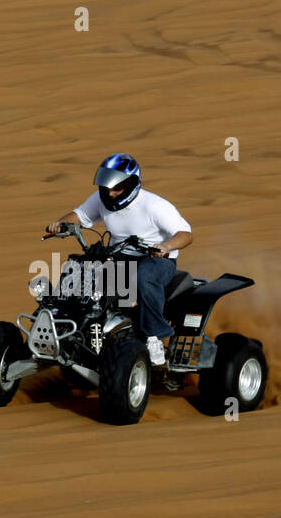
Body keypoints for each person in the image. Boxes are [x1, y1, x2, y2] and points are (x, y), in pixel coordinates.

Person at [45, 153, 193, 366]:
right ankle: (65, 326)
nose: (110, 193)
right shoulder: (101, 199)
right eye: (107, 187)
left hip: (156, 259)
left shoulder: (154, 206)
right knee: (80, 269)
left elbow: (186, 234)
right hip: (118, 256)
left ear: (132, 184)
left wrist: (166, 246)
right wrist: (60, 224)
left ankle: (154, 337)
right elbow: (79, 216)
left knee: (143, 277)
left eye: (117, 188)